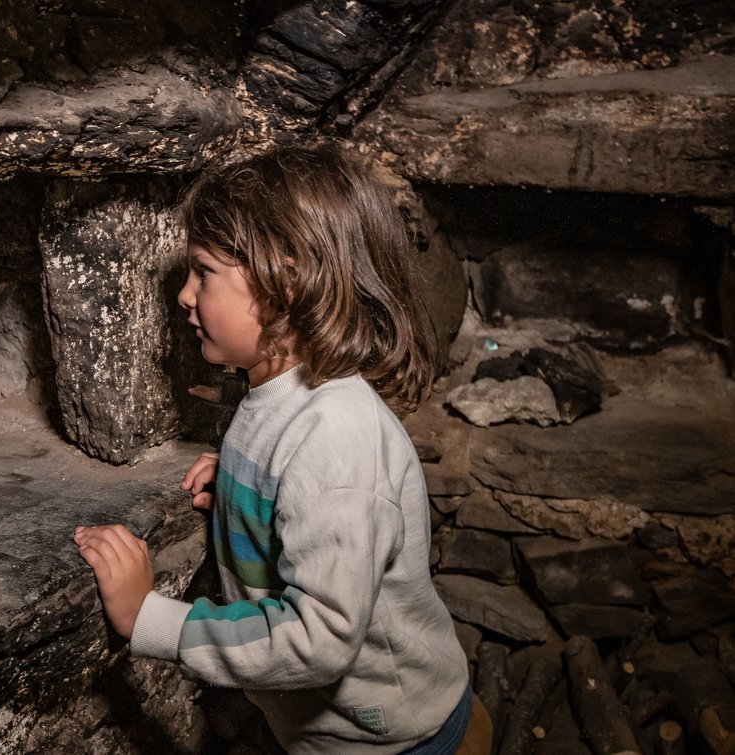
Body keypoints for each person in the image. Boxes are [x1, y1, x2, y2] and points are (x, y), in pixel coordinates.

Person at [74, 144, 485, 754]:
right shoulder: (280, 395)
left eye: (203, 273)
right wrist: (252, 491)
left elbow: (320, 637)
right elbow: (297, 477)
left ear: (285, 284)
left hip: (392, 742)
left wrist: (149, 619)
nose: (185, 296)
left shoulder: (337, 437)